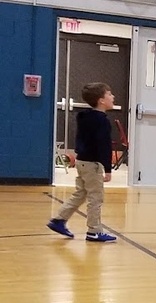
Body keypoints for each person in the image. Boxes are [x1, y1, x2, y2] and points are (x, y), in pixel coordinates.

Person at [47, 82, 118, 242]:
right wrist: (107, 169)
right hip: (93, 164)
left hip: (81, 161)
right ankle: (94, 231)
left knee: (81, 193)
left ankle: (59, 220)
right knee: (96, 197)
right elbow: (103, 146)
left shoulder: (84, 117)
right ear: (101, 100)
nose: (113, 96)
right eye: (109, 94)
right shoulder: (102, 121)